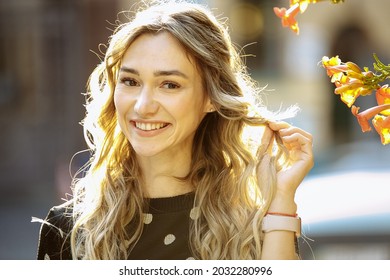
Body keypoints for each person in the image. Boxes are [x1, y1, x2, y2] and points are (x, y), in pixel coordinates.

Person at [36, 0, 313, 260]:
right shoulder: (67, 232)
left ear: (211, 98)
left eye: (169, 84)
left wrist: (281, 196)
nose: (143, 106)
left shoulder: (260, 226)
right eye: (130, 81)